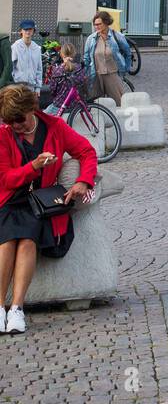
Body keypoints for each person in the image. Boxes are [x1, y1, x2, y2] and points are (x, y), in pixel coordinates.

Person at [0, 84, 97, 334]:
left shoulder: (55, 127)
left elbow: (86, 151)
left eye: (19, 120)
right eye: (10, 121)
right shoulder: (4, 134)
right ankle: (0, 308)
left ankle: (16, 309)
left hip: (40, 203)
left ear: (32, 109)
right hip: (10, 200)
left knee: (27, 240)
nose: (16, 126)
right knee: (9, 240)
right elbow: (6, 180)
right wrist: (33, 166)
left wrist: (82, 181)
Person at [83, 11, 132, 104]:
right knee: (97, 106)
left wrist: (125, 69)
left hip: (112, 74)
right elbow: (86, 58)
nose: (96, 27)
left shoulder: (117, 36)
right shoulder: (91, 39)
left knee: (118, 103)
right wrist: (85, 73)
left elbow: (128, 53)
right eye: (95, 24)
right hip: (96, 75)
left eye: (99, 24)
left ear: (106, 23)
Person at [44, 44, 88, 114]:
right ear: (74, 54)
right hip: (76, 106)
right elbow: (84, 86)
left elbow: (52, 90)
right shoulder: (79, 68)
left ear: (61, 54)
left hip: (59, 105)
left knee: (42, 116)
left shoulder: (57, 70)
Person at [11, 21, 43, 93]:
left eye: (30, 29)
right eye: (25, 29)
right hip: (17, 87)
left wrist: (38, 88)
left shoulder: (37, 48)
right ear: (21, 31)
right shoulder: (15, 47)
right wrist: (12, 85)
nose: (28, 32)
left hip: (31, 88)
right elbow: (11, 66)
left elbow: (39, 69)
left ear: (33, 31)